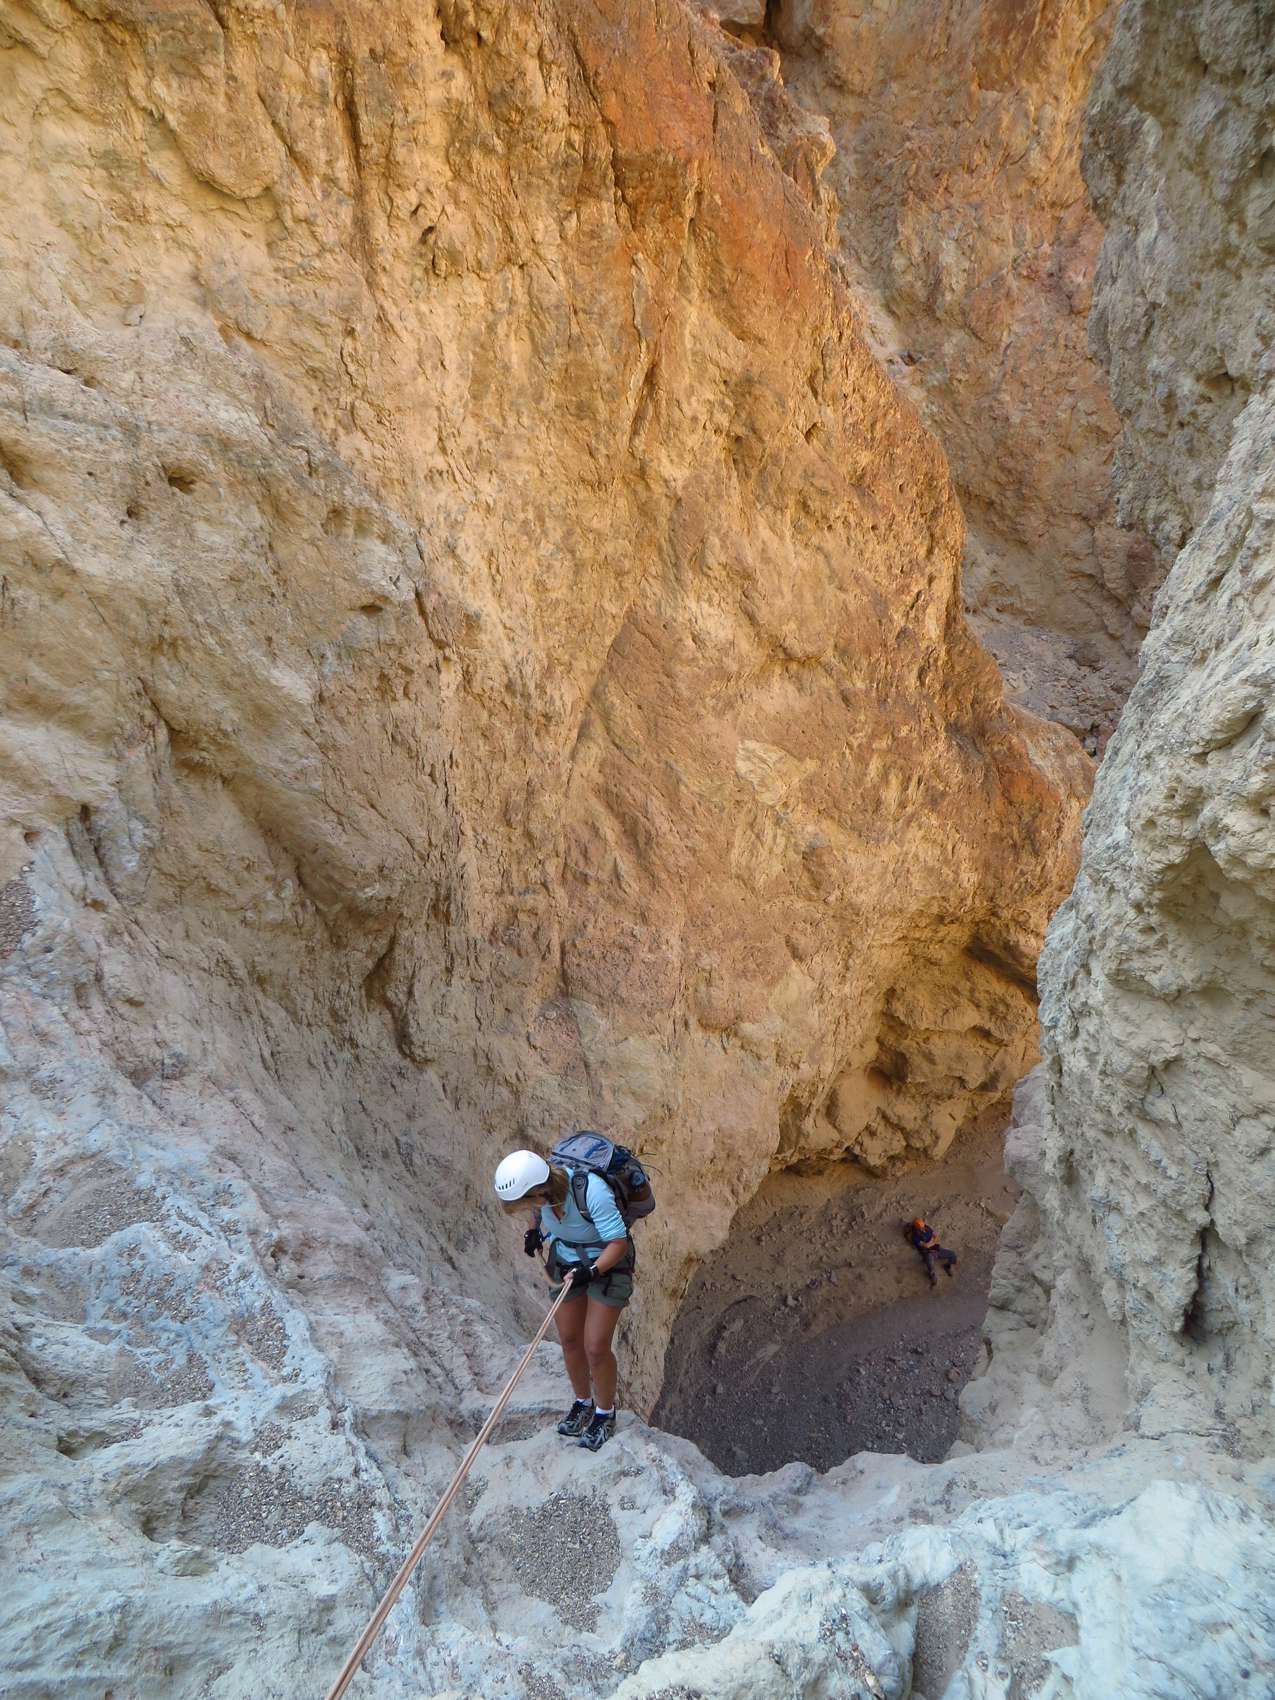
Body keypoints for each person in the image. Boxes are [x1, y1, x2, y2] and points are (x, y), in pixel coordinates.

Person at [494, 1148, 634, 1451]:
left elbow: (618, 1243)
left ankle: (604, 1413)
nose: (528, 1208)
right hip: (565, 1261)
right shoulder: (543, 1196)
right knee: (570, 1340)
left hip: (606, 1264)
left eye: (527, 1201)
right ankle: (583, 1402)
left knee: (595, 1347)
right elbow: (535, 1210)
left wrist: (592, 1271)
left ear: (539, 1191)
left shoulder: (592, 1193)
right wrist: (533, 1231)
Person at [906, 1216, 957, 1287]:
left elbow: (935, 1236)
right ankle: (932, 1276)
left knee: (952, 1254)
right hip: (928, 1252)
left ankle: (947, 1266)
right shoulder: (915, 1237)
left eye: (923, 1226)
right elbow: (926, 1246)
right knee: (930, 1265)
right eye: (921, 1228)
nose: (923, 1228)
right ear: (917, 1228)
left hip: (937, 1249)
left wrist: (931, 1242)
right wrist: (933, 1241)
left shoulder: (927, 1228)